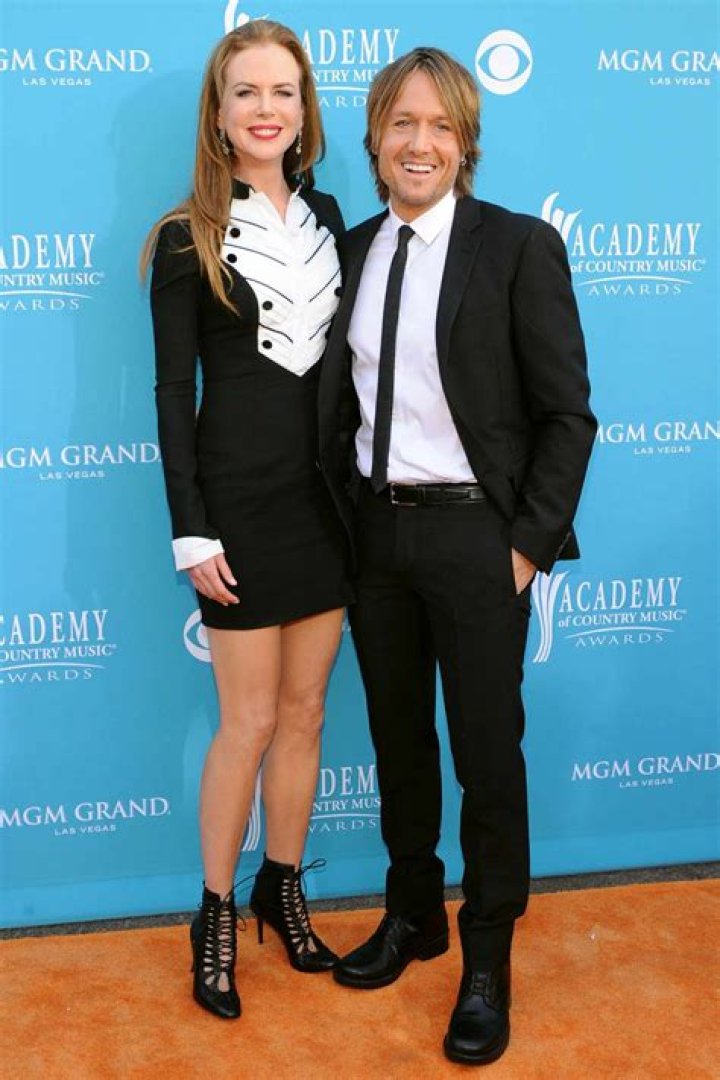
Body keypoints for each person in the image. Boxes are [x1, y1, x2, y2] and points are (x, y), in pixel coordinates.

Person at [318, 48, 596, 1065]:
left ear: (466, 142)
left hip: (480, 538)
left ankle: (486, 958)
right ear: (375, 139)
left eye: (440, 125)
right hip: (376, 538)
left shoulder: (517, 247)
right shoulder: (351, 250)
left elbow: (568, 415)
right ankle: (412, 916)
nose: (420, 143)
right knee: (398, 744)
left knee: (485, 755)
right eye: (402, 123)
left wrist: (524, 550)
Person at [142, 20, 353, 1021]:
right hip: (235, 508)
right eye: (247, 91)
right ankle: (216, 911)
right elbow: (169, 393)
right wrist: (192, 529)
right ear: (218, 112)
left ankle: (284, 886)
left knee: (307, 716)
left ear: (304, 111)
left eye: (284, 91)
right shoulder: (183, 235)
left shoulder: (332, 217)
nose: (267, 108)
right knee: (250, 721)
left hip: (326, 510)